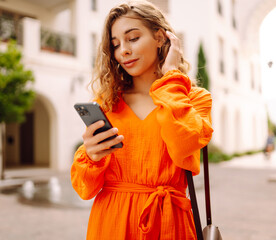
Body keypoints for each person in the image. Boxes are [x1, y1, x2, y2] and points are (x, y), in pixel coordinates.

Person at [71, 1, 213, 239]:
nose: (123, 51)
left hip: (168, 223)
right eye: (115, 45)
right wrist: (91, 156)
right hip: (111, 223)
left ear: (160, 37)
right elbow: (84, 189)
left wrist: (170, 78)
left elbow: (184, 144)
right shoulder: (107, 102)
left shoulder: (194, 99)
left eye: (133, 38)